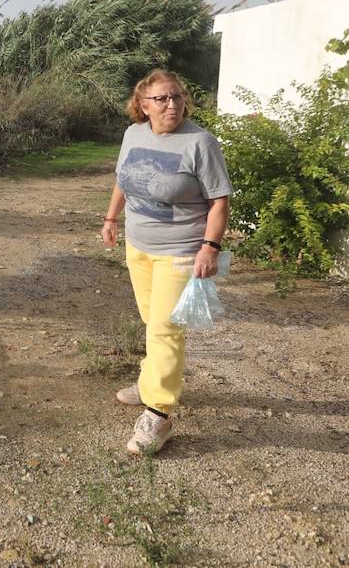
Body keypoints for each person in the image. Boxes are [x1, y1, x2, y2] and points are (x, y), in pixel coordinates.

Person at [100, 69, 230, 454]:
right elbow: (123, 180)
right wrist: (110, 219)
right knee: (150, 318)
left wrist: (210, 247)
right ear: (143, 105)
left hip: (181, 250)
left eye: (176, 97)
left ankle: (159, 413)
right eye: (162, 99)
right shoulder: (133, 135)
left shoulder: (199, 142)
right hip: (138, 246)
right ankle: (149, 380)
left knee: (165, 327)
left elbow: (219, 200)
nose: (172, 104)